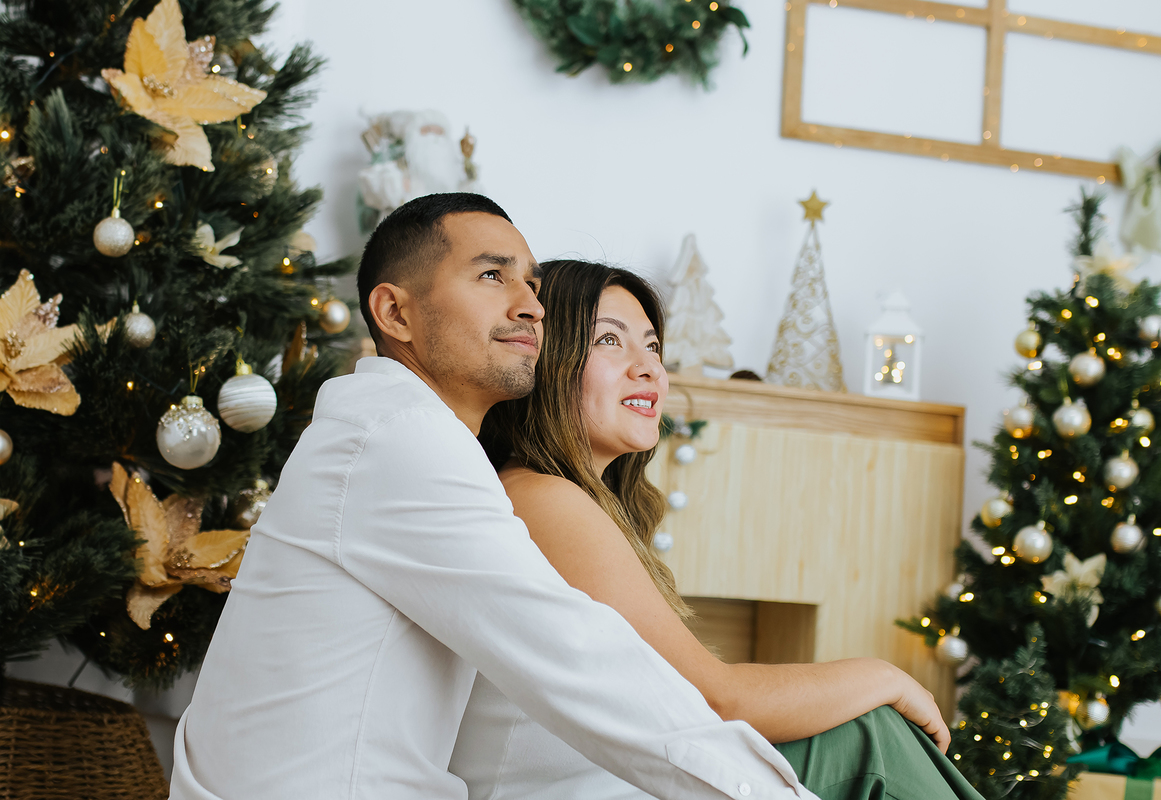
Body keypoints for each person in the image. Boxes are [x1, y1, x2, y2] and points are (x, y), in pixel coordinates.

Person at [170, 194, 812, 800]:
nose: (532, 306)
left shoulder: (398, 433)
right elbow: (578, 661)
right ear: (396, 314)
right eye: (491, 276)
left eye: (531, 283)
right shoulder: (402, 438)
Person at [453, 259, 984, 800]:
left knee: (870, 734)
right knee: (874, 738)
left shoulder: (559, 497)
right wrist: (885, 678)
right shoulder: (543, 498)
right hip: (585, 787)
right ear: (547, 361)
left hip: (622, 773)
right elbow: (713, 698)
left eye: (653, 346)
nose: (649, 368)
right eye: (609, 340)